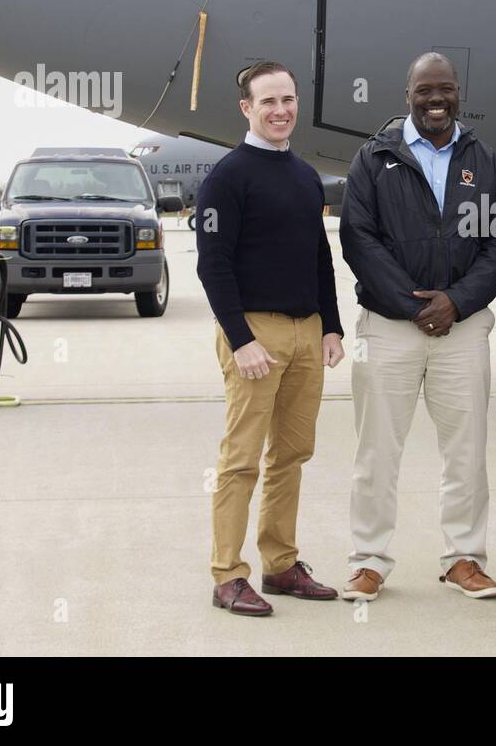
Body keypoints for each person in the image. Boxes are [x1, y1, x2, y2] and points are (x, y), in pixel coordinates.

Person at [338, 52, 496, 601]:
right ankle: (369, 561)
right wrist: (413, 305)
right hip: (390, 328)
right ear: (407, 95)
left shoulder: (486, 161)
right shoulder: (374, 159)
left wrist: (457, 303)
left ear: (459, 93)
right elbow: (358, 239)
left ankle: (464, 558)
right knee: (377, 452)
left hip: (461, 330)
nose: (435, 100)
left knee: (466, 451)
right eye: (424, 91)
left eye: (445, 90)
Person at [195, 60, 345, 616]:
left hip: (307, 333)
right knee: (241, 459)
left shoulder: (306, 176)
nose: (280, 110)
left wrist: (330, 326)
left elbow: (319, 257)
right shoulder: (227, 177)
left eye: (287, 100)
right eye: (268, 102)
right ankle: (227, 575)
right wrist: (240, 339)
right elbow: (213, 265)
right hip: (254, 332)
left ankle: (280, 564)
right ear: (246, 109)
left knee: (292, 454)